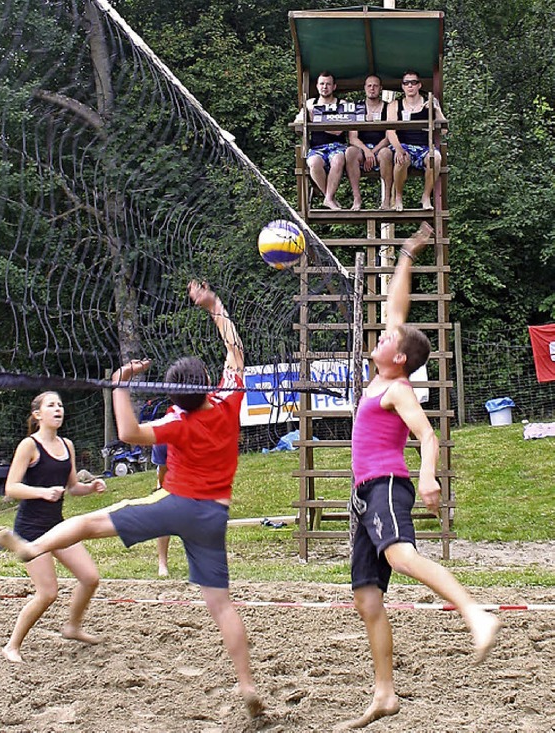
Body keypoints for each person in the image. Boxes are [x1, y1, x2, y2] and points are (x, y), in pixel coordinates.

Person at [0, 280, 264, 719]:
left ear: (172, 395)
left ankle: (33, 546)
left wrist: (119, 385)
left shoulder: (176, 423)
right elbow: (235, 352)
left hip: (175, 502)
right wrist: (215, 304)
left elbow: (128, 434)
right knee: (222, 605)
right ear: (205, 384)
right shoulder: (228, 399)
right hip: (214, 515)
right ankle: (247, 684)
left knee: (88, 524)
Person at [342, 223, 500, 729]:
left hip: (389, 484)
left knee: (401, 555)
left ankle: (474, 613)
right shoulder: (380, 374)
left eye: (388, 340)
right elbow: (396, 309)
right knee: (367, 596)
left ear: (401, 358)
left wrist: (429, 477)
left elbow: (427, 437)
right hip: (364, 496)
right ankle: (385, 693)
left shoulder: (399, 388)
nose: (382, 334)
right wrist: (408, 253)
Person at [0, 391, 107, 663]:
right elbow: (11, 488)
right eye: (51, 405)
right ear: (38, 415)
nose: (58, 409)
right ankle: (12, 645)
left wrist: (91, 488)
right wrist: (42, 492)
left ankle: (72, 627)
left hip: (56, 526)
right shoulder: (29, 445)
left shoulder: (66, 445)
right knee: (48, 593)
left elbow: (72, 487)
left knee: (90, 578)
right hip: (30, 531)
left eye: (60, 404)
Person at [294, 70, 363, 211]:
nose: (324, 87)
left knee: (338, 159)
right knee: (313, 163)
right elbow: (298, 124)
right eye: (322, 84)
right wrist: (304, 119)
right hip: (317, 147)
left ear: (334, 87)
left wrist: (315, 121)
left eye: (328, 84)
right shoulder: (310, 103)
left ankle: (329, 198)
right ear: (317, 86)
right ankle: (329, 198)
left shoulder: (342, 104)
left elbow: (339, 129)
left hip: (337, 146)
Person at [386, 70, 446, 212]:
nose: (410, 86)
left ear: (419, 85)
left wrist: (436, 109)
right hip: (404, 145)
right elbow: (390, 131)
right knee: (401, 159)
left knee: (436, 158)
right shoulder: (395, 105)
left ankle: (426, 197)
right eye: (406, 83)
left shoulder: (428, 102)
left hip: (424, 146)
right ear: (402, 86)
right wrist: (399, 149)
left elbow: (444, 130)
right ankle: (398, 196)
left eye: (413, 82)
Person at [348, 75, 394, 210]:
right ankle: (356, 198)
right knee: (350, 152)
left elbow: (389, 136)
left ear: (381, 88)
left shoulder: (388, 108)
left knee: (386, 153)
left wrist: (373, 153)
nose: (372, 88)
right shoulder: (357, 107)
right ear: (364, 88)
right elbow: (352, 138)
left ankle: (387, 200)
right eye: (369, 85)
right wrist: (367, 151)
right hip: (362, 148)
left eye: (375, 86)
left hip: (382, 147)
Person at [150, 442, 170, 577]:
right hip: (168, 475)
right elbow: (163, 470)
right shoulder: (162, 441)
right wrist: (162, 491)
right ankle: (162, 564)